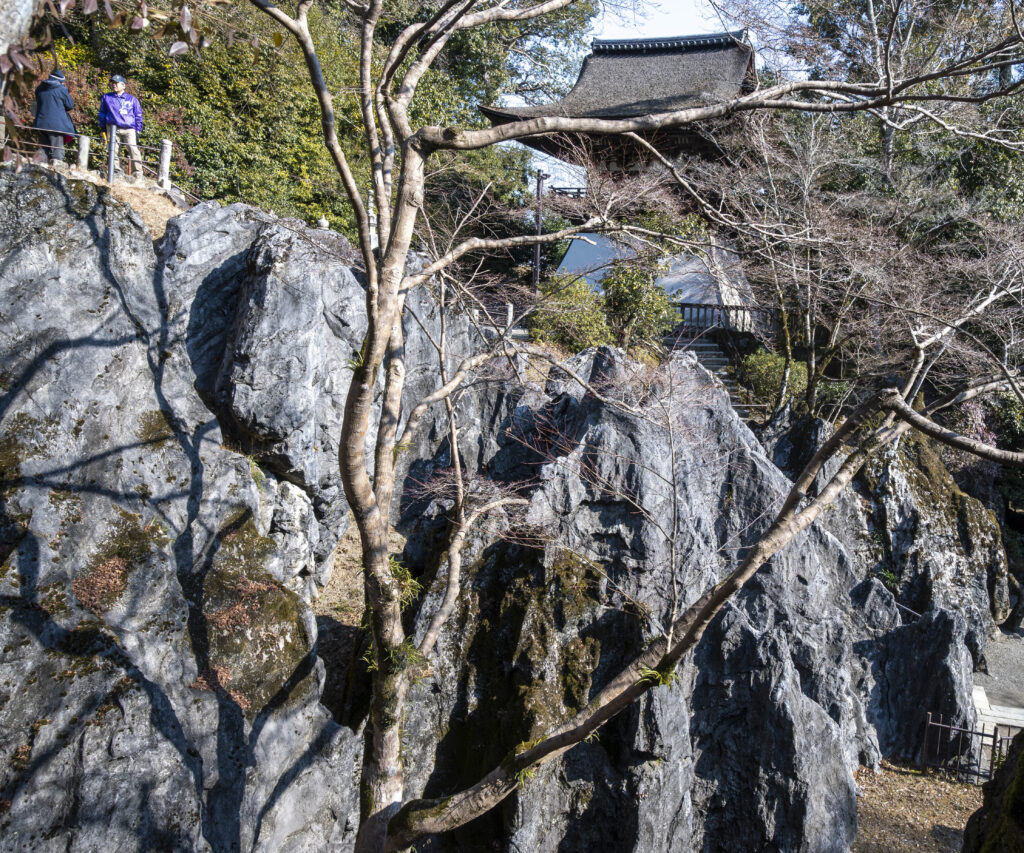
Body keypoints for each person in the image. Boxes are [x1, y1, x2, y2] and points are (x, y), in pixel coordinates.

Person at [98, 74, 143, 180]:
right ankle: (116, 171)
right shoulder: (107, 97)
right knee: (113, 149)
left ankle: (138, 172)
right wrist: (102, 127)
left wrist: (138, 130)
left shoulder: (132, 99)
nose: (114, 85)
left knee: (133, 149)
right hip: (112, 127)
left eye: (116, 83)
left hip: (129, 128)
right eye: (113, 83)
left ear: (123, 85)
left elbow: (138, 115)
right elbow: (102, 113)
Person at [32, 69, 76, 165]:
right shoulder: (61, 89)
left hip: (40, 123)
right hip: (56, 125)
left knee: (44, 148)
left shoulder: (39, 88)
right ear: (60, 80)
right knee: (57, 150)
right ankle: (57, 170)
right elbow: (70, 105)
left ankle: (37, 167)